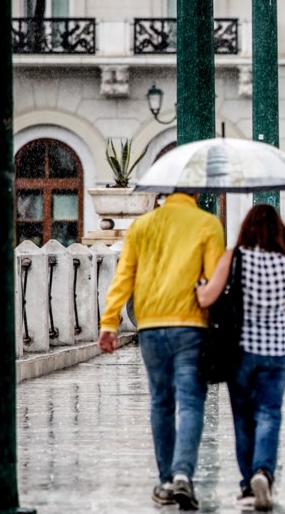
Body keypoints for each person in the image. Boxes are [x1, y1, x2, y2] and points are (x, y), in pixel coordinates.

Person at [97, 192, 226, 510]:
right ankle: (183, 473)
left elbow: (124, 276)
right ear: (195, 193)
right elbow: (213, 283)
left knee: (161, 402)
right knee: (191, 403)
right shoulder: (208, 224)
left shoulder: (142, 225)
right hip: (191, 325)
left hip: (151, 325)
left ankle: (166, 479)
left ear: (161, 193)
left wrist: (109, 322)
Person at [195, 204, 285, 512]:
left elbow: (207, 297)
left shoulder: (234, 257)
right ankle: (263, 472)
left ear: (246, 228)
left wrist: (200, 283)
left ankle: (247, 487)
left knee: (243, 420)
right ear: (278, 229)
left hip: (241, 350)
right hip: (278, 350)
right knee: (270, 413)